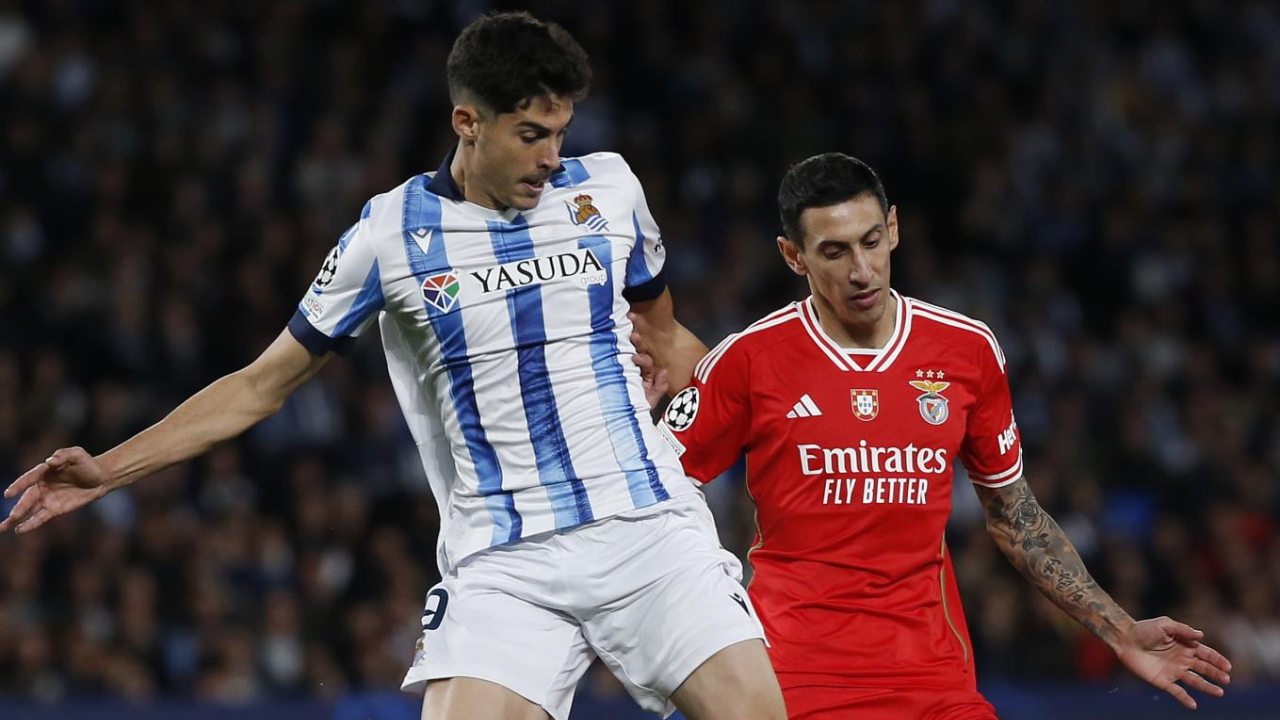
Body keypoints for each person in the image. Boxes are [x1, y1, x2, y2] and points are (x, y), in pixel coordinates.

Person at [1, 12, 786, 720]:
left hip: (645, 528)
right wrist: (108, 470)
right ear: (467, 122)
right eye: (531, 134)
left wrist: (784, 414)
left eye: (560, 131)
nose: (552, 157)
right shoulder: (389, 236)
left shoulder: (610, 190)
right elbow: (259, 386)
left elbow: (668, 335)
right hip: (504, 563)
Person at [647, 152, 1232, 719]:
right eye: (834, 251)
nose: (861, 270)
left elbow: (1013, 514)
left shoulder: (967, 351)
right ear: (793, 256)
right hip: (792, 679)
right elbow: (652, 487)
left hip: (932, 681)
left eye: (871, 241)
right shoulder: (749, 360)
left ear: (894, 227)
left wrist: (1121, 630)